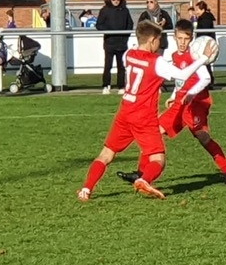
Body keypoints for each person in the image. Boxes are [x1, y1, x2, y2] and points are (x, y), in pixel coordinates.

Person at [77, 20, 217, 202]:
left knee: (106, 154)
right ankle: (144, 179)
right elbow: (182, 75)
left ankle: (86, 189)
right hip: (144, 117)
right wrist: (204, 58)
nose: (160, 44)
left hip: (125, 113)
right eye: (159, 40)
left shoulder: (129, 54)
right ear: (151, 40)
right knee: (158, 159)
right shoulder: (156, 62)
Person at [145, 20, 226, 185]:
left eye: (186, 38)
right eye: (179, 38)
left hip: (196, 104)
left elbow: (206, 78)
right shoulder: (175, 56)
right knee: (154, 131)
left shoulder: (194, 55)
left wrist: (191, 94)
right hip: (180, 104)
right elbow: (180, 80)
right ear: (174, 37)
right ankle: (141, 173)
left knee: (203, 138)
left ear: (192, 38)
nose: (182, 42)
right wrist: (174, 95)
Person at [96, 0, 133, 94]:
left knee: (121, 66)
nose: (116, 1)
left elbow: (130, 24)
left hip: (122, 43)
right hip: (109, 42)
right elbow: (99, 25)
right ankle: (106, 85)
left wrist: (125, 36)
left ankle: (121, 86)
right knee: (108, 65)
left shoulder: (125, 10)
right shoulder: (104, 10)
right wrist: (109, 31)